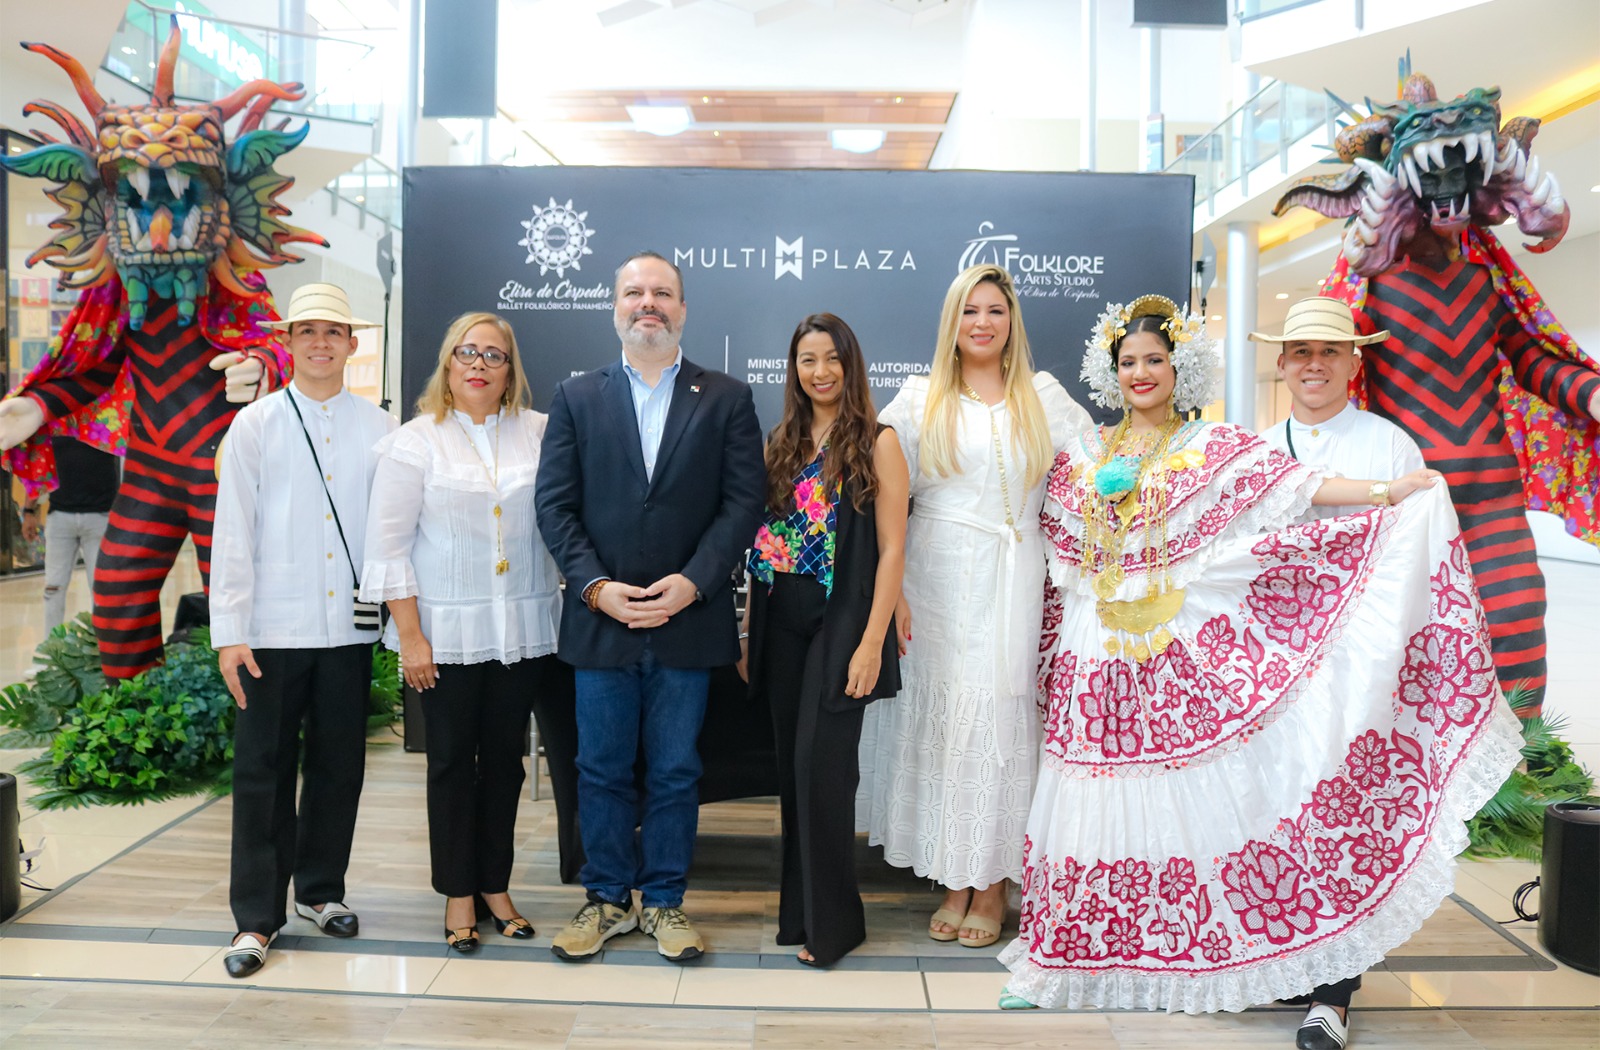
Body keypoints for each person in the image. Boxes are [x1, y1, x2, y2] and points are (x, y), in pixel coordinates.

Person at [997, 295, 1524, 1048]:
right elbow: (1055, 539)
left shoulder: (1222, 446)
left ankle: (1306, 981)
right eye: (1128, 363)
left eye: (1154, 360)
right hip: (1102, 655)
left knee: (1238, 798)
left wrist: (1392, 495)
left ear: (1179, 369)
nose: (1141, 373)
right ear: (1109, 374)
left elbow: (1301, 492)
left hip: (1226, 651)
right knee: (1092, 798)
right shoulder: (1085, 452)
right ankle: (1066, 961)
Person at [856, 263, 1092, 950]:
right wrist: (892, 587)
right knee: (947, 723)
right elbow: (883, 493)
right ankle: (955, 876)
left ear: (1012, 320)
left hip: (1015, 577)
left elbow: (1101, 475)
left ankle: (992, 883)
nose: (982, 322)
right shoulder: (919, 397)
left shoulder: (1043, 397)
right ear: (952, 324)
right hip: (933, 578)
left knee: (999, 718)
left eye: (995, 310)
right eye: (969, 311)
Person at [536, 251, 764, 963]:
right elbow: (554, 506)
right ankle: (606, 900)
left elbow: (742, 504)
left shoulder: (725, 397)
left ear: (683, 309)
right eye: (634, 292)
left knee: (674, 771)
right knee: (599, 769)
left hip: (687, 620)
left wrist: (694, 581)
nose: (648, 304)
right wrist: (595, 587)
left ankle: (664, 903)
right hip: (600, 622)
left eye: (662, 293)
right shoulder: (576, 397)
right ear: (615, 307)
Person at [360, 311, 562, 954]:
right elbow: (388, 549)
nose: (478, 364)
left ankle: (496, 885)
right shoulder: (415, 441)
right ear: (448, 365)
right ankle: (457, 892)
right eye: (466, 353)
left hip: (523, 630)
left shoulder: (542, 434)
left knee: (504, 764)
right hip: (443, 636)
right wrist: (411, 639)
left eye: (493, 356)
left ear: (511, 370)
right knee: (450, 764)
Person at [1254, 297, 1426, 1049]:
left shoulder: (1391, 449)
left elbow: (1412, 559)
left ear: (1356, 361)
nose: (1315, 363)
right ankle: (1293, 966)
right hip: (1269, 669)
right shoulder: (1259, 449)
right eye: (1301, 351)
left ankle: (1335, 995)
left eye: (1331, 350)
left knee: (1343, 818)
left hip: (1358, 664)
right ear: (1283, 364)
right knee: (1277, 814)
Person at [209, 283, 395, 978]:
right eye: (307, 331)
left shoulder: (380, 429)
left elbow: (389, 530)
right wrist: (230, 630)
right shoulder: (254, 425)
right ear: (287, 343)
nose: (321, 342)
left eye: (334, 331)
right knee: (261, 771)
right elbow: (234, 533)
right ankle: (257, 918)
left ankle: (321, 891)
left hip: (347, 631)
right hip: (270, 629)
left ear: (352, 344)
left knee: (339, 765)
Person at [739, 313, 909, 967]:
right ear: (795, 369)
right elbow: (765, 547)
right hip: (783, 619)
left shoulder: (878, 441)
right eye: (808, 360)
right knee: (791, 774)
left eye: (832, 358)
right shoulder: (780, 442)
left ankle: (836, 926)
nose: (820, 371)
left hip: (843, 622)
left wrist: (873, 643)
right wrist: (752, 632)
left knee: (823, 768)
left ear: (850, 364)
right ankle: (799, 916)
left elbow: (893, 549)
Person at [23, 436, 118, 631]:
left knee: (102, 592)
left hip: (100, 518)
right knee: (53, 589)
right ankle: (51, 652)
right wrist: (29, 511)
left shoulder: (104, 421)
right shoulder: (55, 421)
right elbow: (40, 468)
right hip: (60, 517)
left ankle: (105, 652)